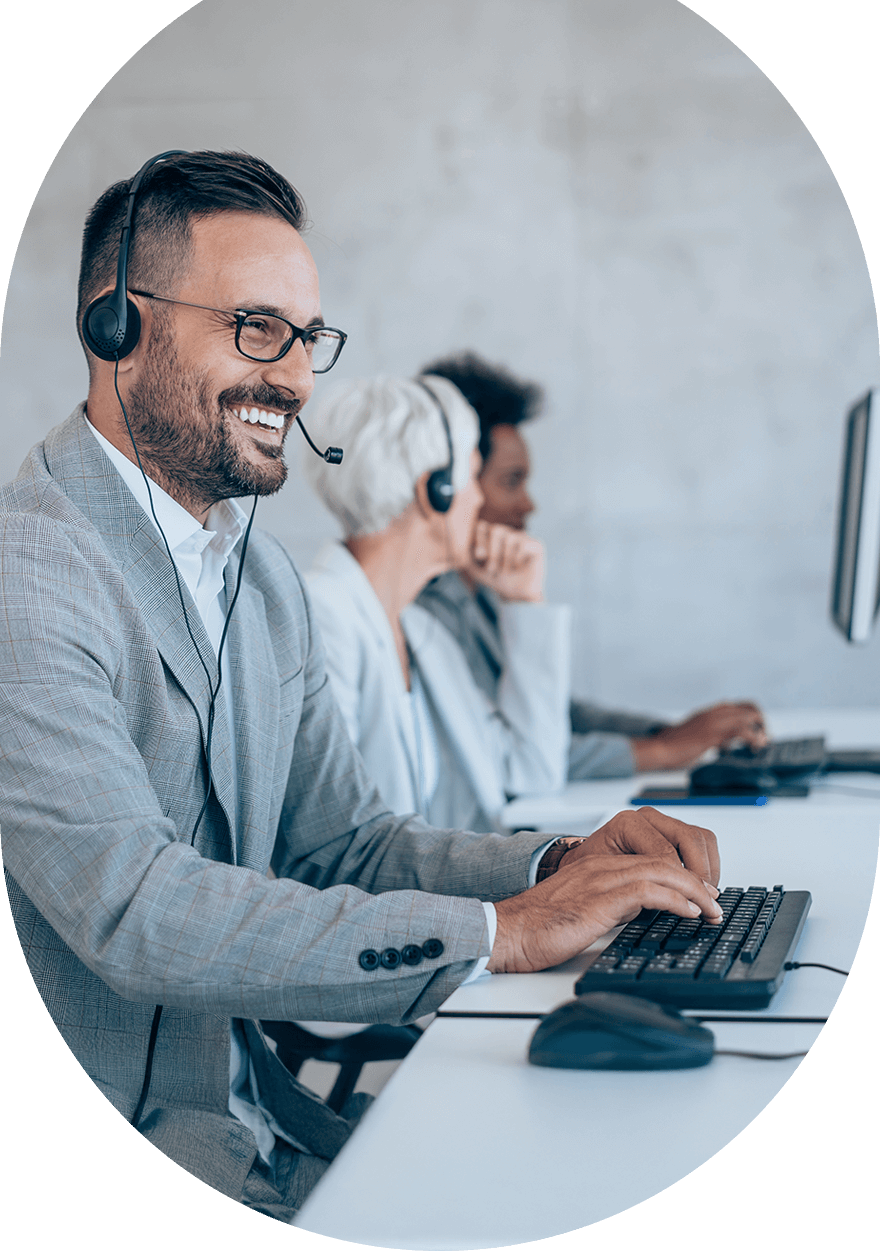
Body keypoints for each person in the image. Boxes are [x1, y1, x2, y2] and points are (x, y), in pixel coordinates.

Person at [0, 150, 723, 1220]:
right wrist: (503, 933)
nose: (292, 377)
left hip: (267, 1132)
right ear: (118, 326)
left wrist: (556, 863)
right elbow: (135, 912)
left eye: (306, 339)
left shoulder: (258, 571)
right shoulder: (33, 576)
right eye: (256, 329)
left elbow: (346, 843)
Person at [416, 352, 767, 779]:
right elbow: (514, 752)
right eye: (512, 481)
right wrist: (661, 750)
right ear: (449, 484)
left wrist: (673, 733)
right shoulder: (426, 612)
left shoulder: (475, 592)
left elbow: (558, 714)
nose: (528, 504)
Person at [301, 374, 570, 833]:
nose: (480, 499)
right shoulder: (321, 616)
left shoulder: (422, 632)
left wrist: (526, 604)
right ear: (436, 490)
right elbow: (330, 838)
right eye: (473, 474)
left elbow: (532, 770)